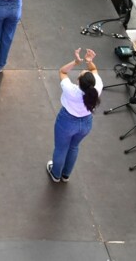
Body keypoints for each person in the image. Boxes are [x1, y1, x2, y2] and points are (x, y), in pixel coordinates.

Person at [48, 48, 101, 182]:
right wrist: (89, 62)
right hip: (86, 124)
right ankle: (66, 175)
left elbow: (62, 71)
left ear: (78, 81)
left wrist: (76, 62)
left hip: (67, 122)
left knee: (61, 148)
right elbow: (94, 70)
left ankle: (55, 174)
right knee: (74, 147)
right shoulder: (98, 87)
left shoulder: (70, 90)